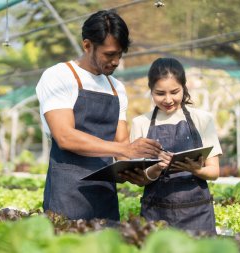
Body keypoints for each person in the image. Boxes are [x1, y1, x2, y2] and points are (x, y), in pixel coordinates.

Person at [36, 10, 161, 221]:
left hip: (105, 193)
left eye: (120, 55)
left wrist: (139, 172)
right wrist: (124, 149)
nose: (115, 62)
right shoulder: (59, 76)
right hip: (67, 193)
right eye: (109, 54)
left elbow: (121, 144)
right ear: (87, 45)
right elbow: (65, 136)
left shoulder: (116, 88)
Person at [122, 57, 222, 233]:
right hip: (156, 213)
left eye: (175, 92)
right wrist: (157, 168)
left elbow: (214, 172)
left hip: (197, 213)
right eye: (160, 93)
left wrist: (194, 169)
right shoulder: (140, 123)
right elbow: (140, 180)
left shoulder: (202, 119)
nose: (168, 99)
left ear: (184, 87)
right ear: (150, 90)